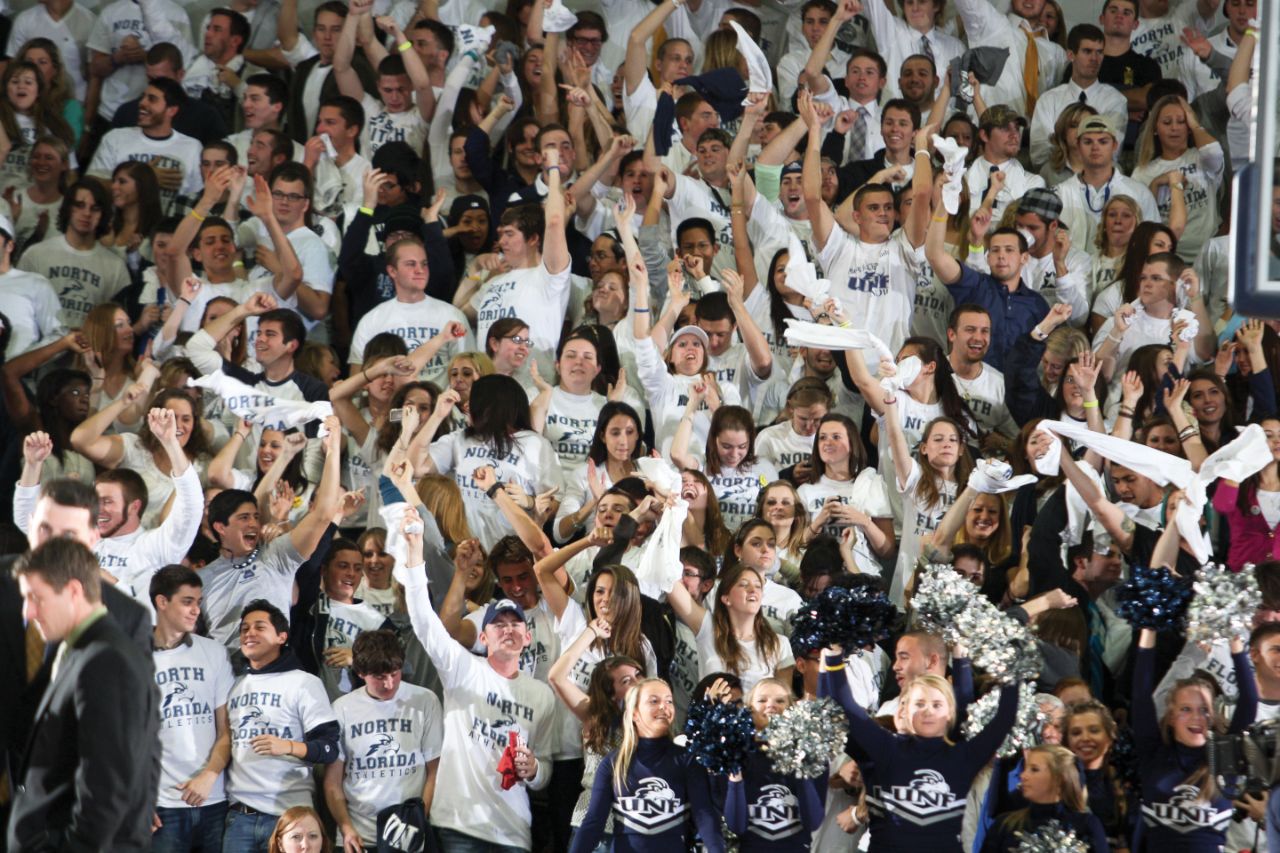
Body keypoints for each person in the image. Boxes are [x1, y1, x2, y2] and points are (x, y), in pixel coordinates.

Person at [396, 507, 558, 853]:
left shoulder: (541, 696)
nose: (508, 630)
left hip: (514, 832)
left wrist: (533, 770)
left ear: (527, 637)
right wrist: (413, 553)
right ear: (482, 638)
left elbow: (544, 773)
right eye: (498, 625)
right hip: (458, 826)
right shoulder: (462, 669)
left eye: (515, 624)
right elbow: (426, 622)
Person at [6, 538, 160, 853]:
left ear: (74, 591)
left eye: (37, 598)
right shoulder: (82, 651)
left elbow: (106, 788)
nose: (28, 611)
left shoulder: (106, 661)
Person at [224, 599, 341, 850]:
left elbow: (330, 748)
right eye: (244, 629)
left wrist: (288, 746)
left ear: (281, 636)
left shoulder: (303, 683)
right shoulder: (233, 685)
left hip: (290, 818)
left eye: (259, 627)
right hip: (239, 817)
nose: (249, 633)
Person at [568, 678, 725, 853]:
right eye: (654, 701)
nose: (663, 706)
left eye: (669, 701)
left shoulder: (686, 761)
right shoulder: (613, 763)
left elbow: (704, 817)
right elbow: (593, 823)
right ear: (634, 713)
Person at [325, 629, 442, 853]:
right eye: (379, 677)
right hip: (359, 834)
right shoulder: (342, 708)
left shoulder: (425, 700)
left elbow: (435, 771)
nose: (389, 684)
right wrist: (346, 828)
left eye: (394, 673)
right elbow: (332, 781)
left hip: (410, 830)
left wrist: (419, 821)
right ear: (360, 673)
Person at [149, 564, 235, 853]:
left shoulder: (213, 652)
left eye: (198, 602)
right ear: (162, 602)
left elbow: (226, 730)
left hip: (214, 800)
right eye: (187, 601)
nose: (196, 610)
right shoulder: (132, 655)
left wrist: (209, 776)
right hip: (162, 808)